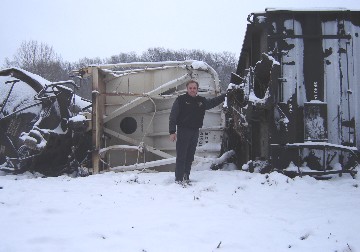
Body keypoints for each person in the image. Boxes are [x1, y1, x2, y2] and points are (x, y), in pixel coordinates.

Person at [169, 79, 226, 183]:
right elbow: (173, 116)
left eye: (194, 88)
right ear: (187, 89)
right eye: (190, 88)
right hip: (183, 131)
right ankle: (178, 179)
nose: (192, 90)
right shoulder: (180, 100)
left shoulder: (201, 101)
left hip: (195, 131)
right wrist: (172, 132)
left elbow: (212, 103)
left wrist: (224, 96)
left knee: (190, 156)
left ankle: (186, 177)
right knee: (181, 156)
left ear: (197, 89)